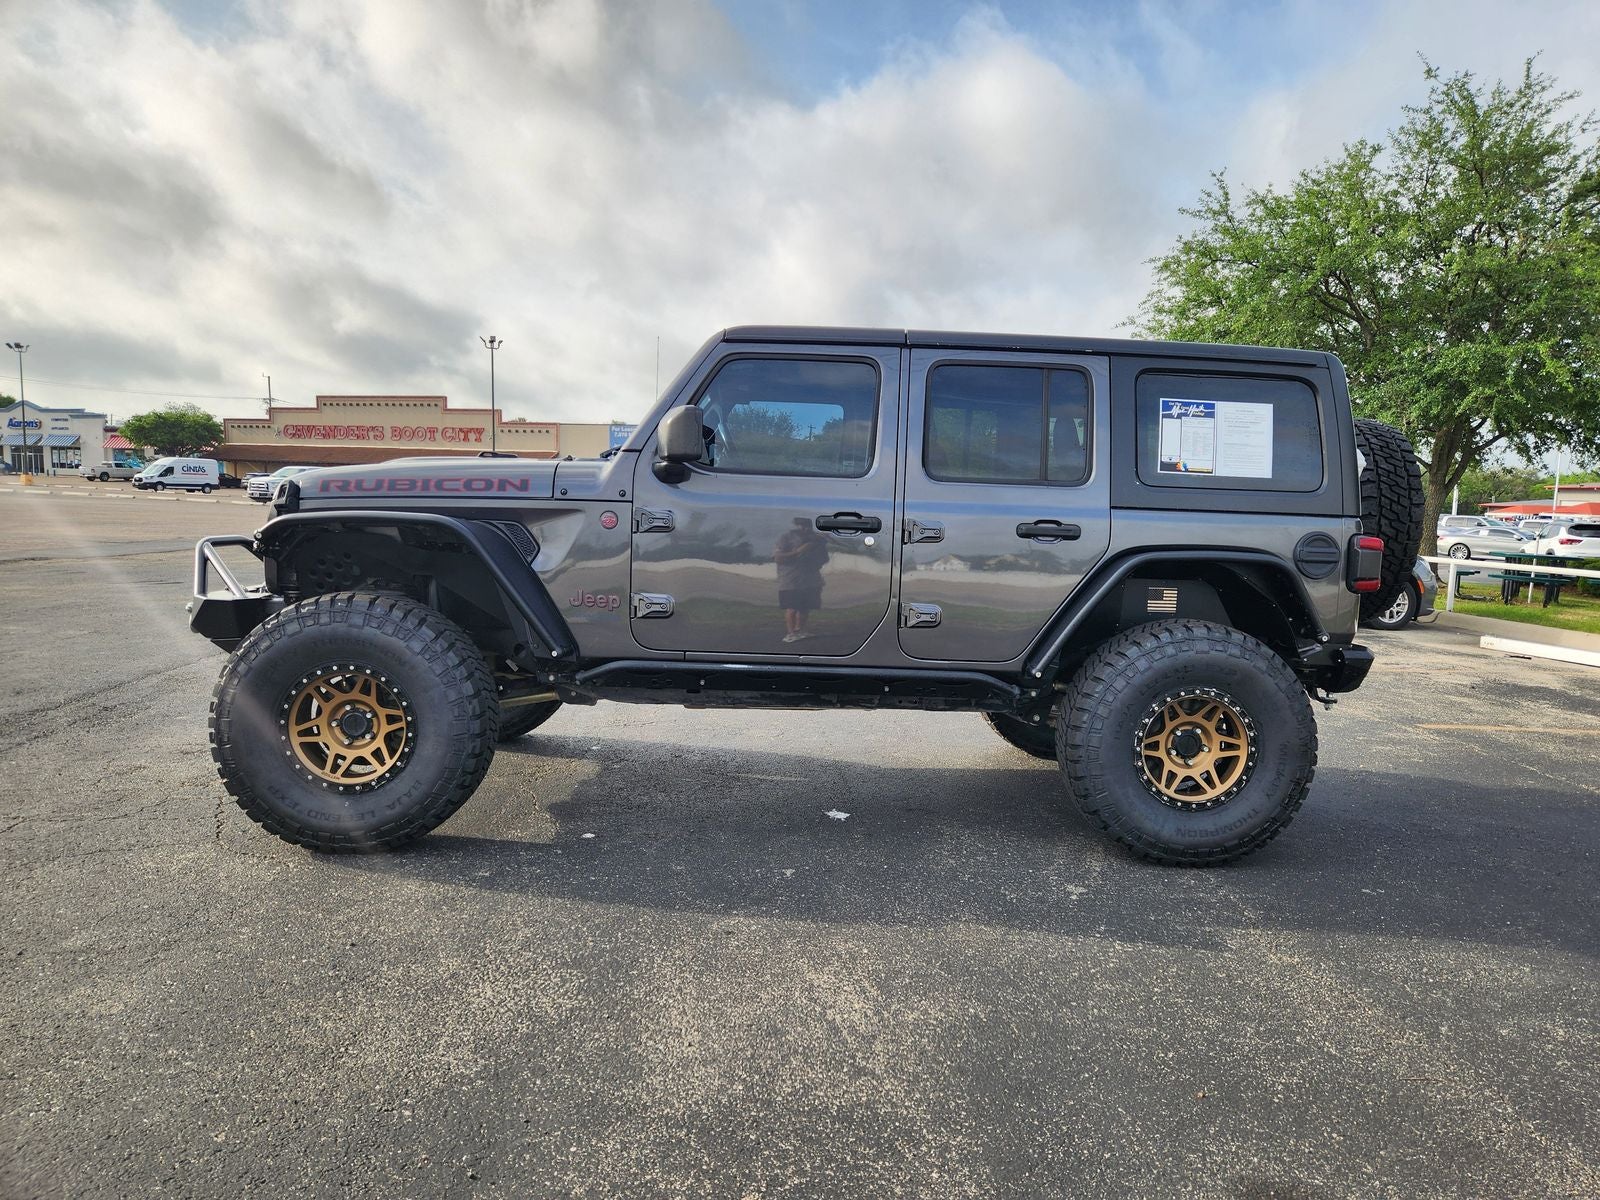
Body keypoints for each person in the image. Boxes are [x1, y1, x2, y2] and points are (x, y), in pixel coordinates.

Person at [774, 517, 828, 642]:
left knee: (805, 606)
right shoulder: (786, 538)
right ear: (795, 526)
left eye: (807, 525)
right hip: (791, 579)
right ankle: (791, 633)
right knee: (792, 607)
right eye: (801, 525)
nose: (805, 528)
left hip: (810, 579)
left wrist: (819, 546)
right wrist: (798, 551)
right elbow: (778, 558)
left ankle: (801, 630)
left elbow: (824, 559)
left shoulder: (816, 539)